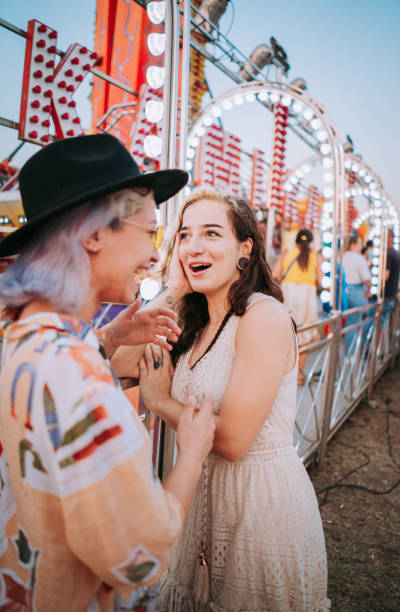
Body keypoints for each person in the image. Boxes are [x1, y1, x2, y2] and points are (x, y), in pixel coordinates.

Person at [0, 134, 216, 612]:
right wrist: (193, 451)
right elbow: (138, 548)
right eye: (149, 232)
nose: (156, 254)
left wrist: (109, 339)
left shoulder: (29, 330)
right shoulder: (77, 377)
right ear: (94, 234)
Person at [137, 188, 330, 611]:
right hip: (198, 510)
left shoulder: (263, 317)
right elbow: (119, 359)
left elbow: (232, 441)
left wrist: (160, 402)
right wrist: (173, 289)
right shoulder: (194, 319)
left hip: (258, 509)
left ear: (245, 248)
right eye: (184, 235)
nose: (194, 246)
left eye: (210, 233)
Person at [273, 228, 321, 385]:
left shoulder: (287, 253)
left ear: (297, 241)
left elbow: (275, 274)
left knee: (286, 332)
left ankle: (281, 374)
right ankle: (299, 376)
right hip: (307, 296)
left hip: (289, 293)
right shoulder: (315, 256)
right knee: (304, 334)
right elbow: (320, 279)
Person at [342, 234, 371, 348]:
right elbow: (367, 279)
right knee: (357, 323)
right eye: (360, 245)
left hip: (344, 292)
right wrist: (368, 289)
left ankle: (349, 353)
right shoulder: (360, 258)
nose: (361, 248)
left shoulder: (343, 256)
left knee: (349, 322)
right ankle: (353, 353)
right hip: (356, 292)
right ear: (353, 245)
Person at [384, 229, 400, 299]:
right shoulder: (396, 253)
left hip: (388, 293)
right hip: (393, 292)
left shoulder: (389, 254)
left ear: (390, 237)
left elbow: (386, 276)